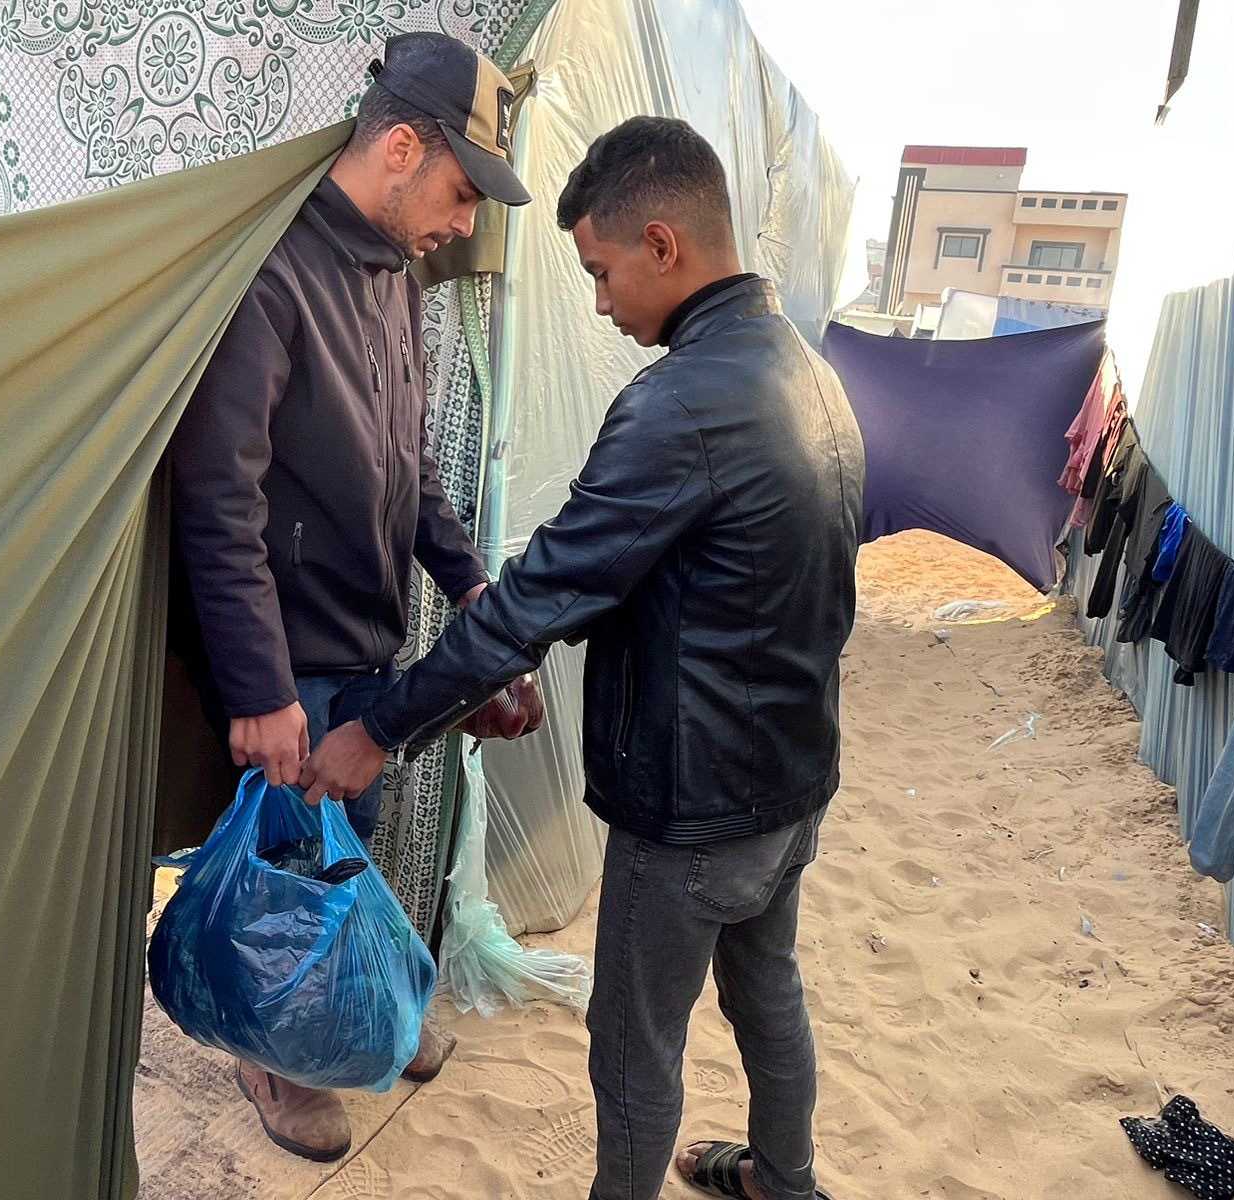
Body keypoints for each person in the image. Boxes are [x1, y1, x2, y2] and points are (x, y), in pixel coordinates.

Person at [304, 116, 865, 1200]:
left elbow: (543, 596)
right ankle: (784, 1182)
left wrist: (380, 728)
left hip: (691, 807)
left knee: (633, 1045)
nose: (601, 303)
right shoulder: (805, 370)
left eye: (601, 271)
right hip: (790, 786)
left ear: (663, 245)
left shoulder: (679, 406)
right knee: (767, 994)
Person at [169, 32, 542, 1163]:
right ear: (396, 148)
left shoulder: (393, 283)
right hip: (292, 660)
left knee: (356, 843)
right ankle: (274, 1059)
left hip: (370, 642)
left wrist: (472, 585)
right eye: (459, 191)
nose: (466, 222)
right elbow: (213, 497)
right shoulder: (272, 276)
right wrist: (260, 688)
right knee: (289, 873)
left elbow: (414, 468)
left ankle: (360, 1007)